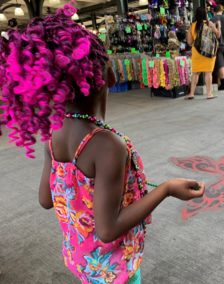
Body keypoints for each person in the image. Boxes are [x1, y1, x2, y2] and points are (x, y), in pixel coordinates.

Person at [0, 5, 205, 283]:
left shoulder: (54, 134)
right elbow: (108, 229)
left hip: (81, 262)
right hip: (113, 270)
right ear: (109, 74)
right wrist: (167, 189)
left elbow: (46, 199)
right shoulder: (108, 145)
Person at [186, 7, 220, 99]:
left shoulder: (192, 26)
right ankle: (209, 94)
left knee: (195, 73)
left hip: (196, 52)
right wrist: (218, 27)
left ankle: (192, 93)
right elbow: (218, 35)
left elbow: (189, 42)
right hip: (208, 52)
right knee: (208, 73)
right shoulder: (210, 24)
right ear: (205, 14)